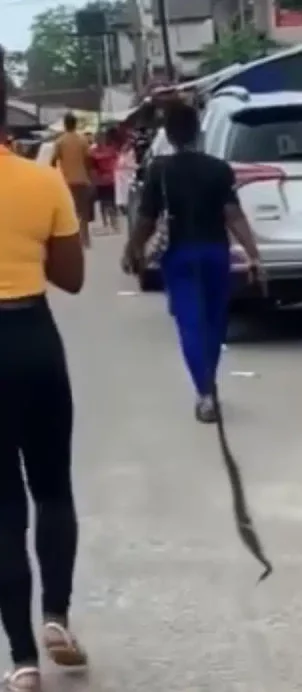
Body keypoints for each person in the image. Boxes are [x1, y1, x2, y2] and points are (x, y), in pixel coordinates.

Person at [0, 47, 87, 692]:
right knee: (52, 486)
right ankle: (57, 614)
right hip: (33, 336)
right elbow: (74, 278)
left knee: (2, 509)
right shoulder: (42, 179)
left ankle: (23, 659)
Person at [121, 100, 265, 423]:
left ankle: (204, 393)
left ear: (169, 136)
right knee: (214, 324)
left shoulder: (159, 170)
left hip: (180, 256)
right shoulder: (219, 169)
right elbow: (233, 215)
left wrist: (132, 250)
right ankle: (209, 383)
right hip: (215, 253)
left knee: (190, 323)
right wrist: (253, 254)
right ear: (198, 133)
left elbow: (146, 219)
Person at [51, 113, 93, 247]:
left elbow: (53, 161)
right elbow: (88, 161)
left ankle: (74, 241)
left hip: (66, 182)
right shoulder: (83, 140)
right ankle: (85, 240)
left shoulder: (60, 142)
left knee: (70, 213)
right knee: (83, 212)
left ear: (65, 124)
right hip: (82, 180)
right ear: (75, 124)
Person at [89, 128, 119, 231]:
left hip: (110, 180)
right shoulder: (93, 151)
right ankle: (106, 223)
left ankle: (114, 223)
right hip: (101, 180)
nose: (99, 140)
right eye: (97, 138)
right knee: (103, 203)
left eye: (101, 138)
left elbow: (115, 163)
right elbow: (92, 167)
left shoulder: (111, 149)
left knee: (111, 202)